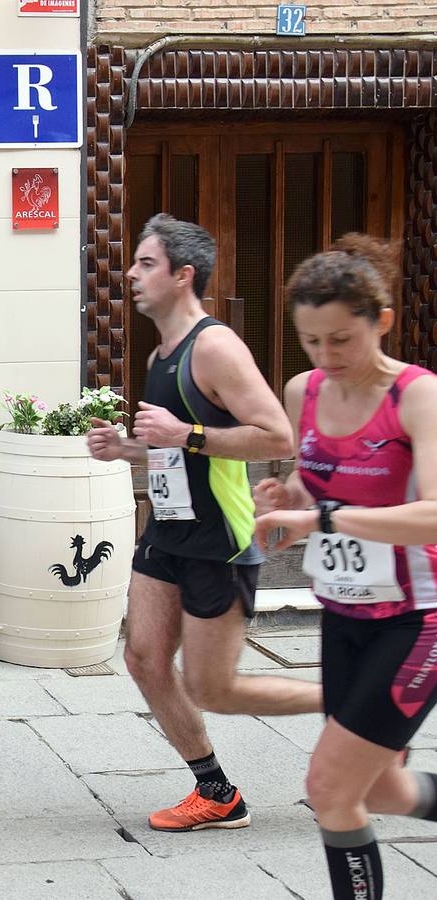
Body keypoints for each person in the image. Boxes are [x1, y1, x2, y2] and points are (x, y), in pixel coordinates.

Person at [85, 213, 320, 832]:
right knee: (142, 658)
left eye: (146, 263)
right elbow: (178, 450)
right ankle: (216, 792)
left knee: (212, 686)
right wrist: (130, 449)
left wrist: (183, 432)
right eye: (135, 262)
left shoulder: (213, 346)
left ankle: (347, 701)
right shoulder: (164, 350)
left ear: (183, 276)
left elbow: (276, 434)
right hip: (168, 529)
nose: (131, 274)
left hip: (219, 540)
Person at [251, 235, 437, 900]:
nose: (326, 358)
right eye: (311, 342)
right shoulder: (307, 391)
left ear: (381, 321)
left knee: (329, 788)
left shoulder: (418, 397)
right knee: (379, 787)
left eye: (341, 341)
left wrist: (323, 520)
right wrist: (289, 497)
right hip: (343, 612)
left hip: (419, 621)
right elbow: (314, 479)